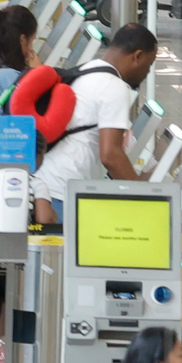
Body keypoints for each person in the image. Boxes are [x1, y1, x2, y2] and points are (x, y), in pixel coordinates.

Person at [29, 24, 154, 223]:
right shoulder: (115, 86)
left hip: (46, 183)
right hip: (63, 191)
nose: (147, 72)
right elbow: (110, 155)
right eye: (149, 64)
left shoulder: (87, 70)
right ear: (137, 56)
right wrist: (143, 195)